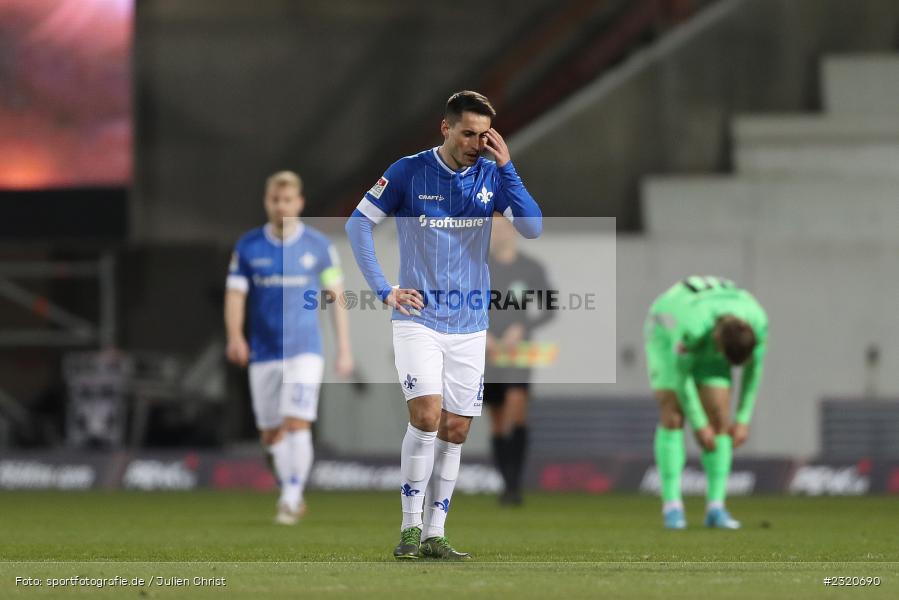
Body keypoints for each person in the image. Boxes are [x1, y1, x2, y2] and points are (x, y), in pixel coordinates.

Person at [345, 91, 542, 560]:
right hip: (419, 319)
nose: (477, 142)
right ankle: (410, 529)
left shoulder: (492, 175)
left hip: (471, 323)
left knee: (456, 429)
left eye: (484, 134)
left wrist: (507, 165)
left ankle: (436, 533)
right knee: (427, 416)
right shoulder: (408, 171)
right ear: (446, 128)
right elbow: (358, 225)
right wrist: (384, 289)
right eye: (468, 133)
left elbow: (532, 227)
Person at [225, 170, 353, 525]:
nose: (281, 207)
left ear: (299, 203)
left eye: (288, 200)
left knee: (297, 422)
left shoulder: (318, 246)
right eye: (275, 200)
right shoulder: (248, 246)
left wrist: (343, 347)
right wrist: (235, 336)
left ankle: (291, 496)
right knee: (270, 432)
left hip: (304, 349)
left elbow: (337, 297)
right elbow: (235, 294)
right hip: (264, 352)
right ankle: (290, 488)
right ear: (267, 202)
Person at [644, 275, 767, 530]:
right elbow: (681, 378)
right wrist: (699, 424)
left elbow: (753, 373)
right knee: (673, 413)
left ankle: (716, 508)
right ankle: (672, 507)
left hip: (711, 321)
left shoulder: (758, 321)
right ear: (719, 348)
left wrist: (742, 419)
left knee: (721, 419)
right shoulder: (691, 327)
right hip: (667, 326)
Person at [484, 215, 554, 506]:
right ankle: (507, 484)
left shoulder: (531, 268)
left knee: (517, 408)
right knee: (498, 421)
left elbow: (550, 309)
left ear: (514, 230)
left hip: (517, 353)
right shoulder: (480, 266)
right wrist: (482, 332)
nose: (498, 233)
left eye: (502, 227)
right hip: (486, 352)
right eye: (493, 228)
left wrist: (523, 327)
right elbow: (461, 302)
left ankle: (515, 483)